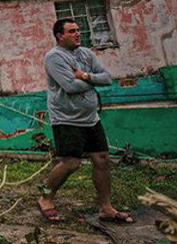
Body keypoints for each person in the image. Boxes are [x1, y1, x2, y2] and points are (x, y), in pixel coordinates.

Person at [38, 18, 134, 224]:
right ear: (59, 36)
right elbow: (69, 86)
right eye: (72, 31)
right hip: (66, 118)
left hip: (91, 118)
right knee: (70, 163)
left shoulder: (86, 54)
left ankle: (106, 208)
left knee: (102, 158)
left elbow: (107, 78)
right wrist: (91, 80)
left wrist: (84, 76)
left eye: (78, 30)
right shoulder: (54, 57)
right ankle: (45, 197)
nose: (77, 34)